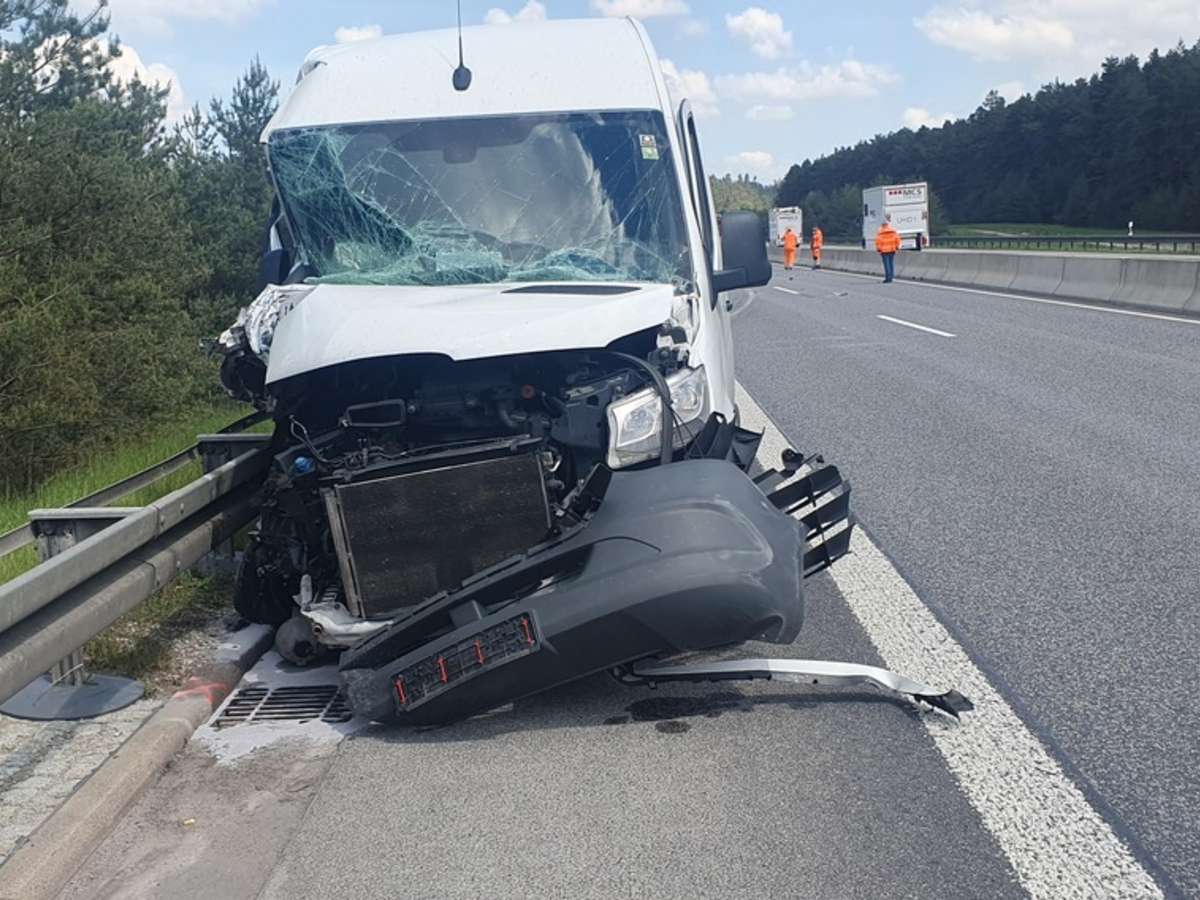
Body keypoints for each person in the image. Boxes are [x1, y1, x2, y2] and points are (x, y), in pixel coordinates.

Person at [875, 217, 900, 282]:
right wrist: (897, 247)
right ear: (888, 224)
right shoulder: (893, 231)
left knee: (887, 264)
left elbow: (878, 241)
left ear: (882, 225)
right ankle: (891, 277)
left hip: (884, 250)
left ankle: (888, 278)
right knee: (891, 263)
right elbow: (897, 239)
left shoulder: (880, 232)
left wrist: (878, 249)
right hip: (892, 249)